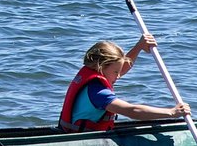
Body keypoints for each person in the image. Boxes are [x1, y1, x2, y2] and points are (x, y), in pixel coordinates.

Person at [59, 37, 188, 131]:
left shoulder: (93, 76)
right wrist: (171, 112)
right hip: (82, 141)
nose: (119, 75)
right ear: (101, 67)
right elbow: (133, 111)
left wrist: (139, 47)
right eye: (116, 72)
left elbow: (120, 67)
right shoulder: (99, 93)